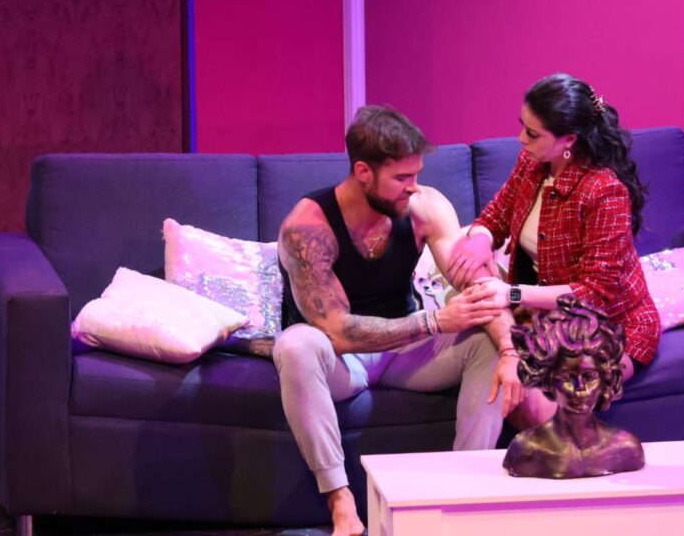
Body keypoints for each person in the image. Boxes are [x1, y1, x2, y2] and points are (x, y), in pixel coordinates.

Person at [274, 105, 518, 536]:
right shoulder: (308, 226)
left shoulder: (425, 208)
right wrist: (434, 322)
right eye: (402, 178)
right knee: (295, 345)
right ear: (363, 172)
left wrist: (510, 350)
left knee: (486, 341)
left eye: (416, 174)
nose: (413, 187)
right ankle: (341, 502)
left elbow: (477, 287)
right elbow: (337, 332)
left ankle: (465, 493)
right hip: (340, 359)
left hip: (407, 353)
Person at [447, 73, 662, 429]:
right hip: (543, 318)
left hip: (607, 324)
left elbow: (594, 294)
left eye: (533, 134)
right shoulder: (531, 163)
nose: (521, 139)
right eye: (522, 126)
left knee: (541, 408)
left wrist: (511, 293)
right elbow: (495, 216)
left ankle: (574, 454)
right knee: (511, 386)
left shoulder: (604, 191)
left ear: (569, 140)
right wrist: (480, 239)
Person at [503, 296, 645, 479]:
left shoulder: (625, 448)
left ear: (605, 377)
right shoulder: (526, 450)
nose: (580, 389)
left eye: (589, 377)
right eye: (567, 378)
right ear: (547, 380)